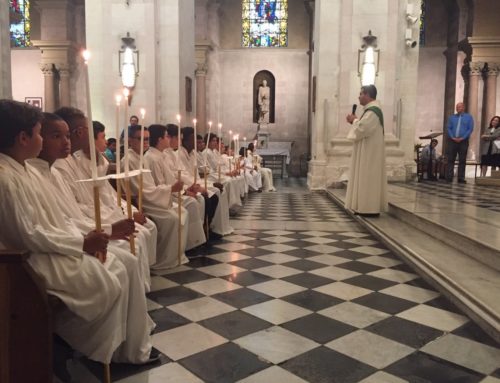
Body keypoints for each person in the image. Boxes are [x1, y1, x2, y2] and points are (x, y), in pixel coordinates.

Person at [0, 100, 155, 364]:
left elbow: (59, 220)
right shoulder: (6, 177)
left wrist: (90, 238)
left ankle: (113, 345)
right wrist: (82, 243)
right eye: (42, 133)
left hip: (53, 248)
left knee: (117, 267)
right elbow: (28, 233)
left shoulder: (24, 170)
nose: (68, 140)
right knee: (111, 274)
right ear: (23, 138)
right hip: (31, 261)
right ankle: (88, 344)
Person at [345, 85, 387, 216]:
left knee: (368, 177)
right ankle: (362, 207)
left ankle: (369, 208)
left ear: (368, 95)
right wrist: (356, 121)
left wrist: (354, 120)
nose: (359, 96)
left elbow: (363, 128)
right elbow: (362, 127)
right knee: (364, 177)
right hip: (366, 150)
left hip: (370, 154)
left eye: (361, 94)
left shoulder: (374, 111)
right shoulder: (369, 111)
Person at [445, 102, 474, 183]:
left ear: (463, 107)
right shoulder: (452, 117)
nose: (458, 108)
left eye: (460, 107)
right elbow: (449, 128)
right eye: (457, 107)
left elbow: (470, 129)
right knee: (450, 159)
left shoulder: (469, 117)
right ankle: (449, 177)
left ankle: (461, 177)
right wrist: (452, 137)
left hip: (463, 141)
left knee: (462, 160)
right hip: (452, 141)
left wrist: (462, 138)